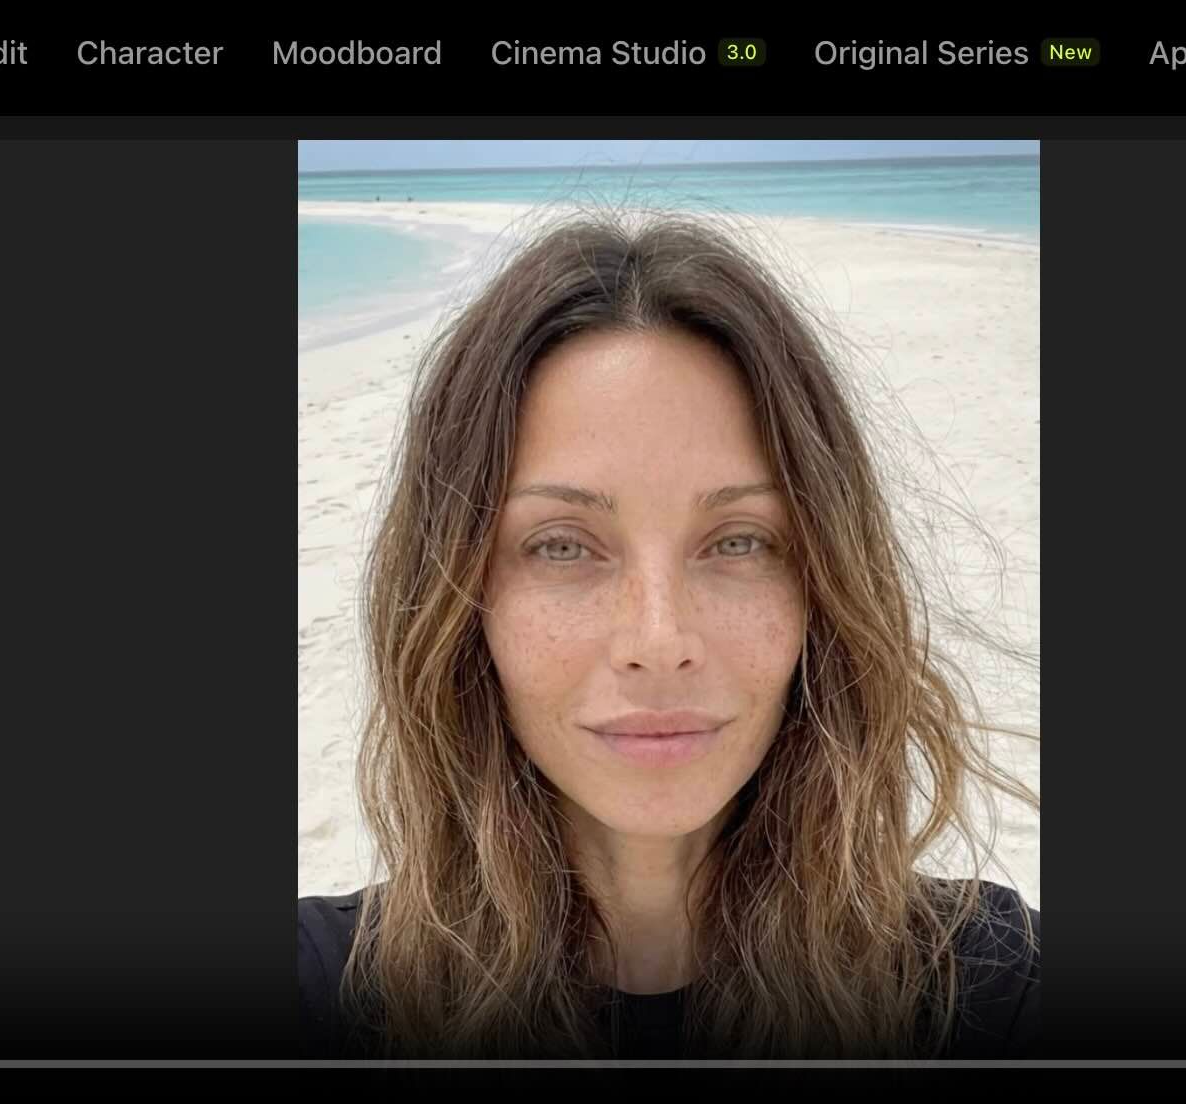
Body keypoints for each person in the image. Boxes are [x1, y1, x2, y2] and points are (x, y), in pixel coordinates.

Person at [298, 213, 1038, 1059]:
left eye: (739, 542)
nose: (659, 639)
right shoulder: (322, 997)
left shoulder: (991, 986)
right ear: (457, 598)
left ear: (824, 586)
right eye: (562, 546)